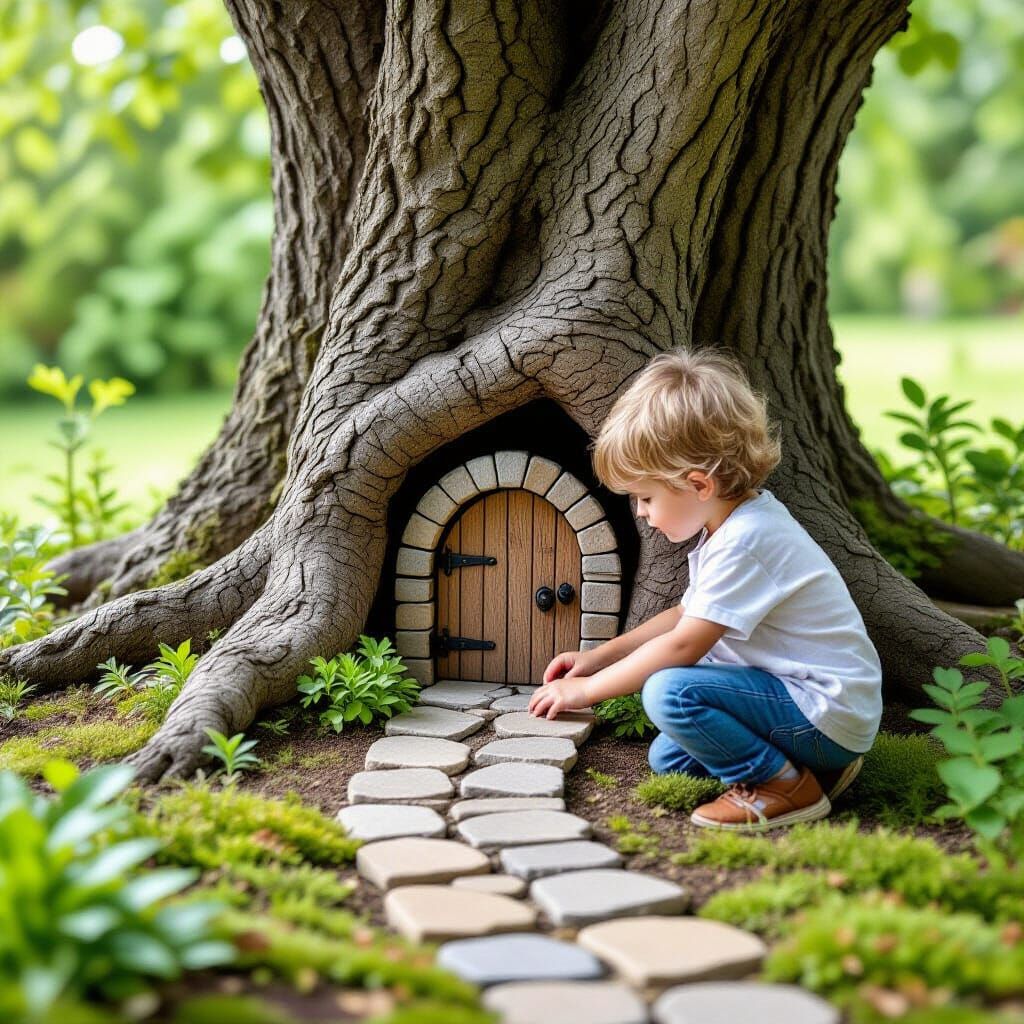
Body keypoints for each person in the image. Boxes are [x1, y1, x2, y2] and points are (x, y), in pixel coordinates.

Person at [528, 347, 883, 831]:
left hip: (822, 708)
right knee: (670, 758)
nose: (640, 512)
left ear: (699, 484)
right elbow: (684, 614)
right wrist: (601, 656)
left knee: (669, 694)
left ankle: (784, 788)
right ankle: (817, 769)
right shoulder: (734, 526)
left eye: (646, 496)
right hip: (808, 706)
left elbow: (684, 643)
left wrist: (587, 690)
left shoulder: (747, 541)